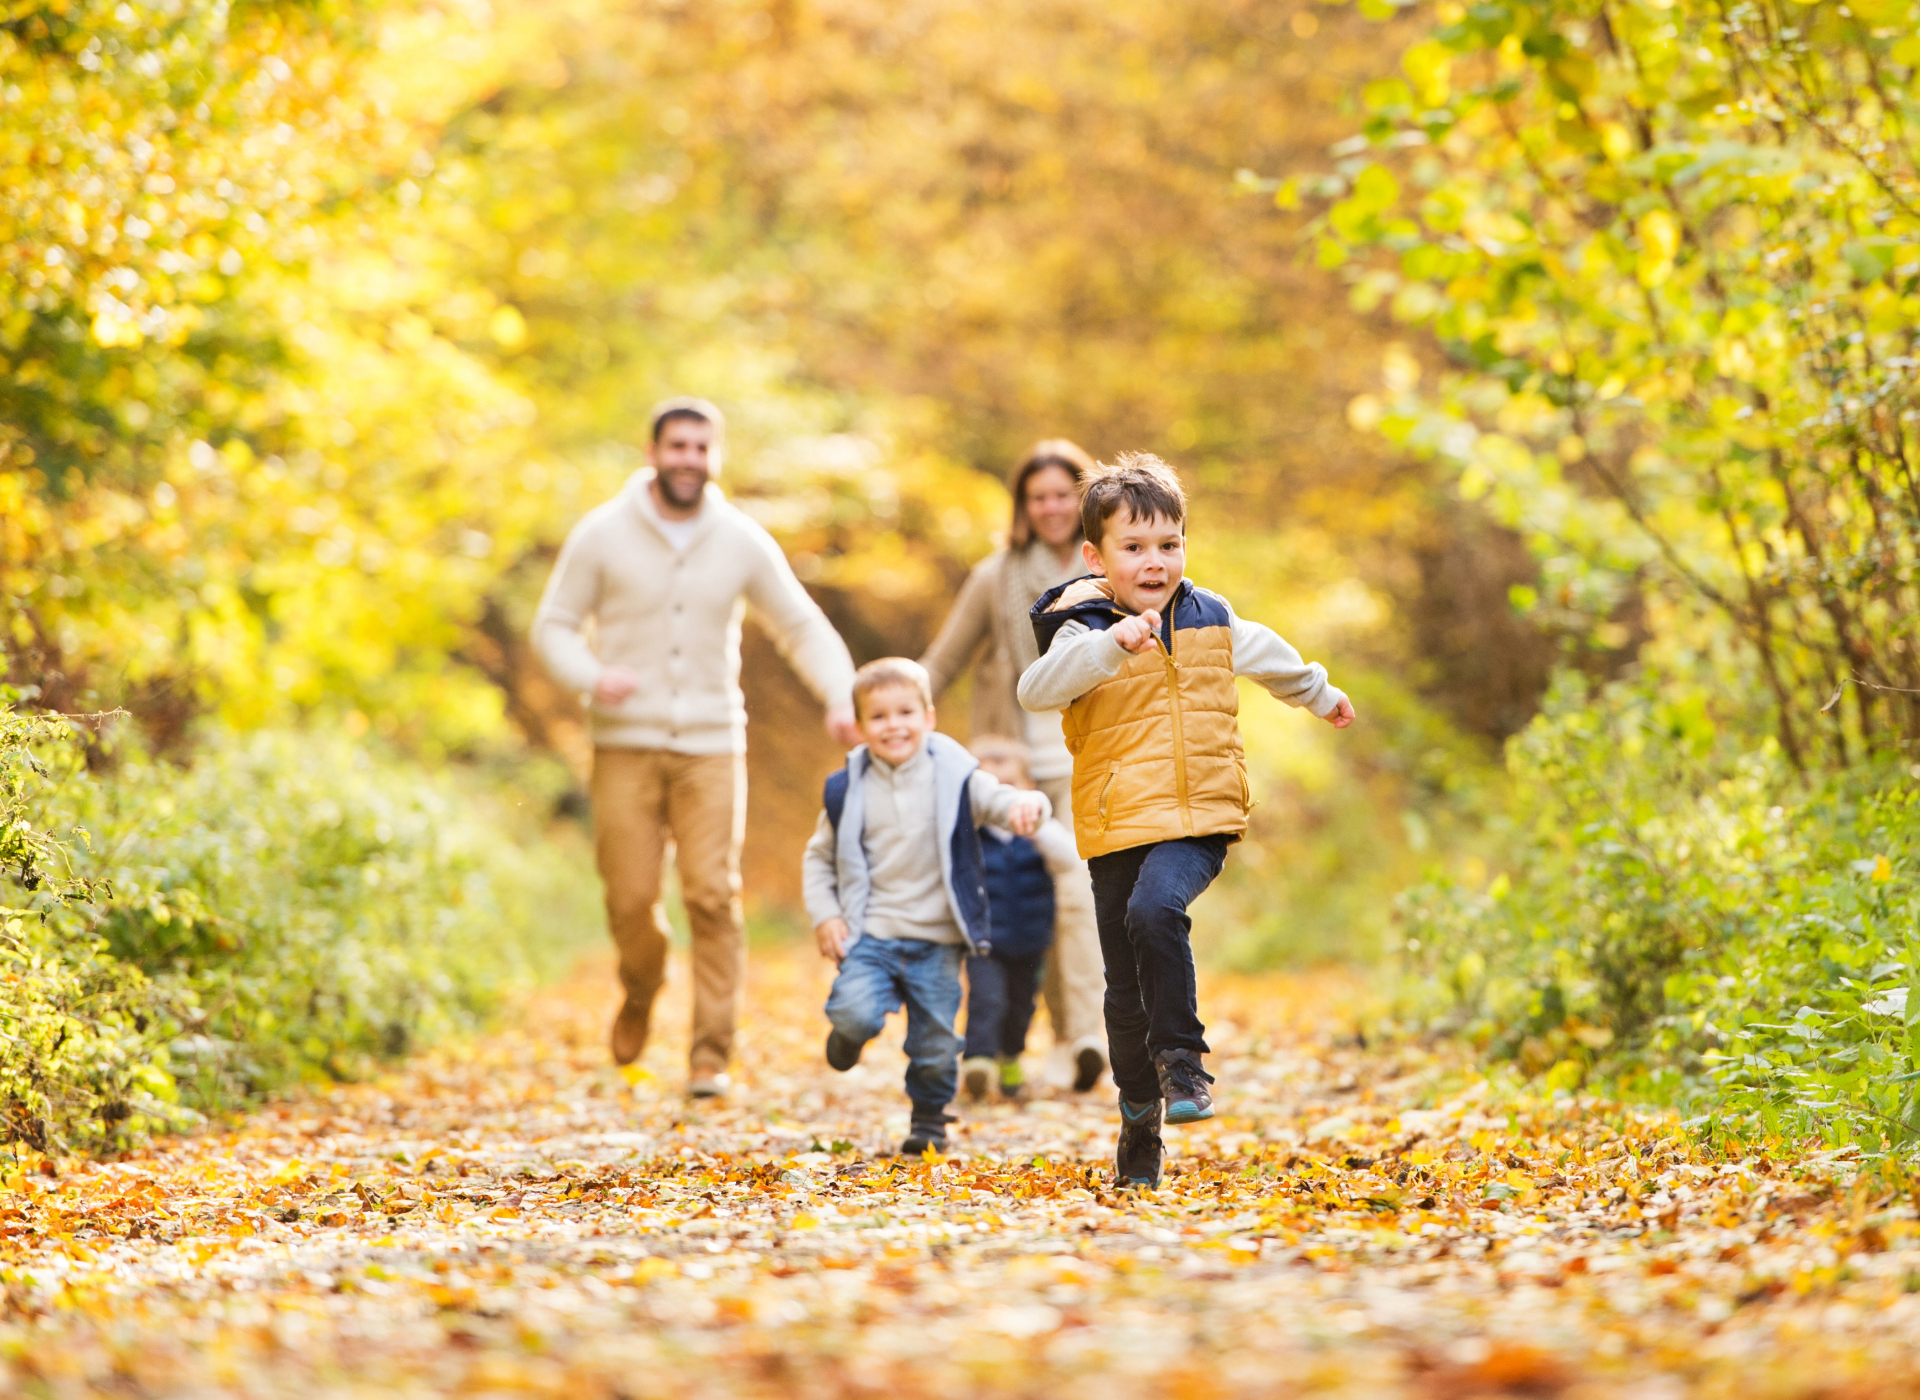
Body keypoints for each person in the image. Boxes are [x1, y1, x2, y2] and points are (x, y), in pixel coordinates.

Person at [1016, 454, 1356, 1189]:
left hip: (1199, 816)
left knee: (1156, 908)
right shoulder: (1083, 627)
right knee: (1121, 991)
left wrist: (1320, 694)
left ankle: (1184, 1067)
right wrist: (1111, 645)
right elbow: (1036, 690)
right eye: (1134, 548)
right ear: (1096, 557)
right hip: (1116, 826)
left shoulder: (1211, 617)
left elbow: (1272, 657)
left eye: (1168, 545)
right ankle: (1140, 1113)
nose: (1154, 561)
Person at [533, 397, 860, 1099]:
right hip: (624, 744)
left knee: (712, 893)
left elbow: (799, 625)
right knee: (630, 898)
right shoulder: (602, 534)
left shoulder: (740, 539)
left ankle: (710, 1055)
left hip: (713, 744)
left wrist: (840, 697)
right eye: (676, 446)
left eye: (701, 448)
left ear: (716, 457)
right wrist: (593, 677)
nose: (689, 459)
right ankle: (641, 985)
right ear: (652, 453)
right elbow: (554, 626)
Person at [920, 440, 1108, 1094]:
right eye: (1039, 497)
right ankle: (1036, 1039)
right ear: (1024, 507)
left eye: (1064, 493)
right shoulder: (996, 576)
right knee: (1021, 905)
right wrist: (892, 710)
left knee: (1080, 895)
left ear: (1085, 497)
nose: (1053, 507)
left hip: (1091, 759)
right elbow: (941, 662)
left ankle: (1084, 1036)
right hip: (1014, 768)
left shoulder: (1114, 570)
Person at [805, 659, 1049, 1156]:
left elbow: (1002, 799)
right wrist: (826, 915)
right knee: (853, 1013)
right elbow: (819, 858)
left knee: (936, 1044)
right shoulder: (846, 789)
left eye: (905, 712)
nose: (894, 725)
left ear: (928, 717)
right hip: (871, 933)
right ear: (858, 727)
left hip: (936, 940)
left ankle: (930, 1120)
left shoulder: (956, 778)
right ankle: (848, 1037)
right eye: (878, 717)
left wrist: (1030, 808)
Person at [959, 736, 1087, 1103]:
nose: (1001, 799)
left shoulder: (1038, 837)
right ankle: (978, 1060)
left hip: (1032, 940)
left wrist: (1035, 823)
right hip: (984, 940)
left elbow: (1069, 861)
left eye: (1010, 787)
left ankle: (1010, 1057)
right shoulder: (970, 835)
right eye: (990, 789)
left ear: (1029, 789)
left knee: (1021, 1006)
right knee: (987, 1000)